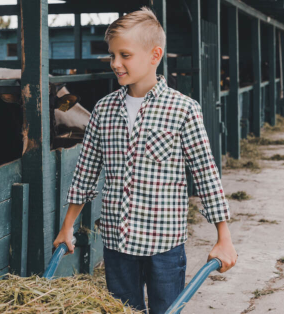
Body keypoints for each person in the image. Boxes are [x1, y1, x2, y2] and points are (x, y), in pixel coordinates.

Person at [53, 7, 237, 313]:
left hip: (164, 244)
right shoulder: (103, 109)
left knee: (167, 308)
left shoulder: (183, 109)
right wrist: (67, 226)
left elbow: (206, 174)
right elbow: (85, 173)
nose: (115, 63)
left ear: (155, 55)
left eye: (124, 55)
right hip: (116, 242)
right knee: (123, 309)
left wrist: (224, 237)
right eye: (112, 55)